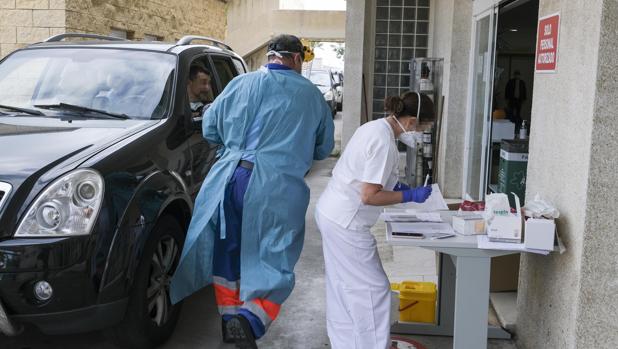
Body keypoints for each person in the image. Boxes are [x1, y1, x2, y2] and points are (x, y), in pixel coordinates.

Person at [170, 34, 334, 349]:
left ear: (270, 56)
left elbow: (210, 128)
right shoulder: (311, 96)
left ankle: (230, 318)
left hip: (229, 180)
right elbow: (324, 148)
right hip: (276, 187)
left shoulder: (239, 84)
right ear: (297, 59)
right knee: (276, 255)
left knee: (228, 249)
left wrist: (237, 145)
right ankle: (251, 319)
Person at [315, 91, 434, 349]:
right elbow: (369, 196)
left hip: (332, 212)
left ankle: (347, 344)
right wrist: (408, 195)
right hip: (347, 222)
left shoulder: (374, 128)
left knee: (343, 287)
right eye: (424, 127)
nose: (421, 134)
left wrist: (396, 185)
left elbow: (365, 175)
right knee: (374, 290)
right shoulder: (384, 142)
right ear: (412, 121)